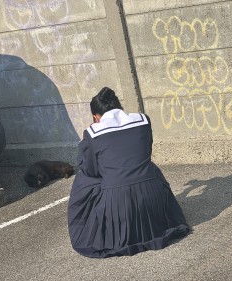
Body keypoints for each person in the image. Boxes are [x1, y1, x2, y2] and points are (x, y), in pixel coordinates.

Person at [67, 87, 190, 258]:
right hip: (152, 196)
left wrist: (83, 143)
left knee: (83, 178)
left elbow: (90, 170)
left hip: (118, 206)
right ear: (119, 107)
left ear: (96, 116)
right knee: (149, 166)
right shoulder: (143, 120)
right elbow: (145, 152)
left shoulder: (92, 133)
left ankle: (92, 222)